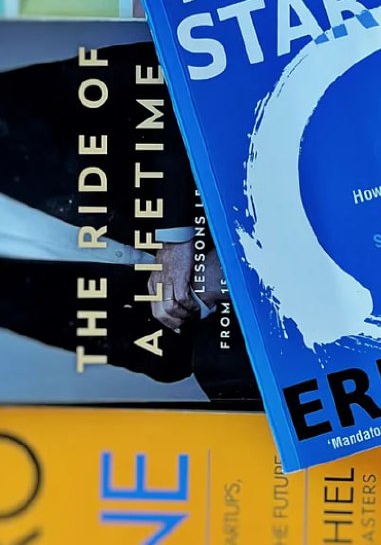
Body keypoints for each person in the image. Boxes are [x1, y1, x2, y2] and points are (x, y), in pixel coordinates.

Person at [0, 40, 257, 399]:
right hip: (227, 295)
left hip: (234, 174)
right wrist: (197, 294)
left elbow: (153, 68)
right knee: (226, 377)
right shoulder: (6, 297)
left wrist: (175, 239)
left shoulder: (8, 111)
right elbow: (160, 359)